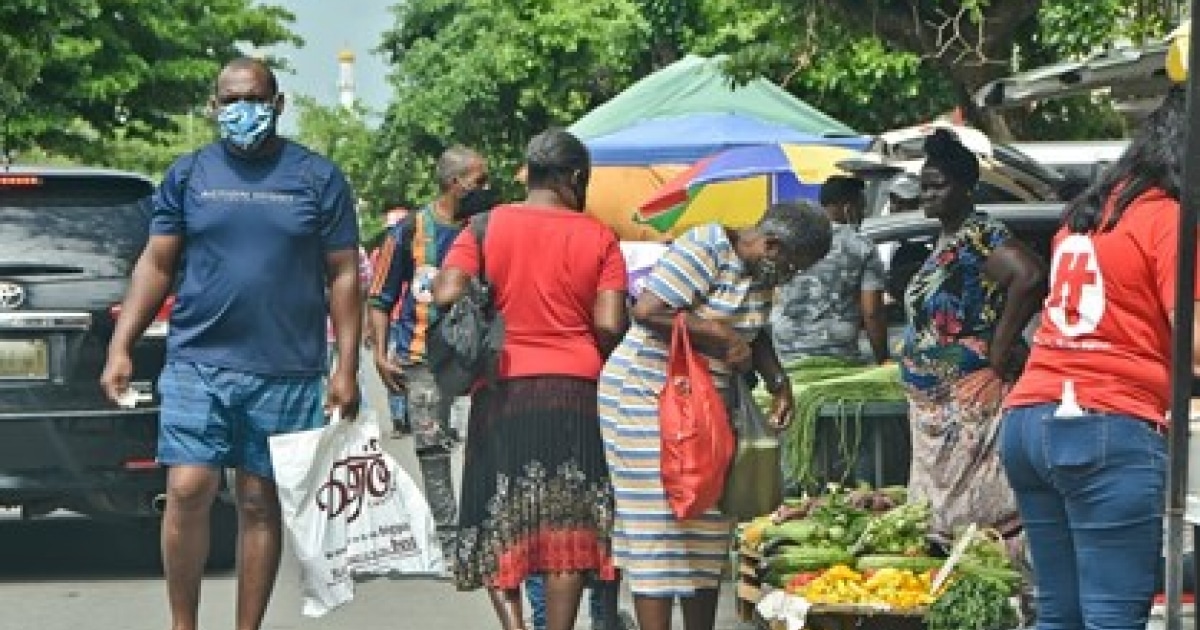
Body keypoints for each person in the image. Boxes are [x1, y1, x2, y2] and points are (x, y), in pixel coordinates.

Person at [99, 57, 361, 630]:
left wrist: (346, 366)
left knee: (257, 501)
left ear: (278, 103)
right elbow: (156, 263)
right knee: (188, 487)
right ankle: (183, 621)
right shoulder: (189, 175)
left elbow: (344, 273)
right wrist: (122, 344)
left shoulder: (317, 178)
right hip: (198, 360)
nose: (245, 111)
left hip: (287, 367)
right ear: (214, 107)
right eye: (232, 101)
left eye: (257, 99)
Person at [1001, 86, 1200, 629]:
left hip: (1028, 422)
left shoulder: (1089, 214)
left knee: (1059, 616)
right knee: (1113, 617)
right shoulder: (1170, 221)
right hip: (1105, 429)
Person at [599, 201, 833, 630]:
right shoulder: (705, 247)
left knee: (706, 526)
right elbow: (648, 311)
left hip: (707, 410)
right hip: (646, 396)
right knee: (661, 525)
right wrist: (718, 334)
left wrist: (779, 382)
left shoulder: (762, 275)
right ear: (773, 246)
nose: (794, 277)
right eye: (794, 267)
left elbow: (755, 333)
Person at [431, 128, 629, 630]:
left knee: (500, 517)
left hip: (503, 388)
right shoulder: (599, 235)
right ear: (573, 177)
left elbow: (446, 290)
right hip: (576, 390)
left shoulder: (482, 226)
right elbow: (609, 323)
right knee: (567, 527)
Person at [899, 129, 1046, 548]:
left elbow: (1030, 276)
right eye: (924, 187)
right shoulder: (946, 238)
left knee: (980, 514)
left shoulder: (980, 233)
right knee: (942, 519)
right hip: (936, 409)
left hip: (968, 401)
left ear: (967, 188)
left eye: (938, 186)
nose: (928, 195)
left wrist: (1000, 346)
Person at [369, 146, 494, 561]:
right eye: (479, 181)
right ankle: (451, 539)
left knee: (486, 442)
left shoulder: (490, 227)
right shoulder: (407, 231)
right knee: (432, 446)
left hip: (482, 357)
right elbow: (381, 296)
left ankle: (484, 528)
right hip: (422, 358)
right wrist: (381, 353)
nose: (487, 188)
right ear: (454, 184)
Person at [771, 175, 888, 366]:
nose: (863, 214)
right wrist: (882, 358)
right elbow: (872, 311)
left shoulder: (789, 239)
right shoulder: (860, 245)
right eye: (861, 207)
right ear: (848, 208)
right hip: (838, 353)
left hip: (787, 352)